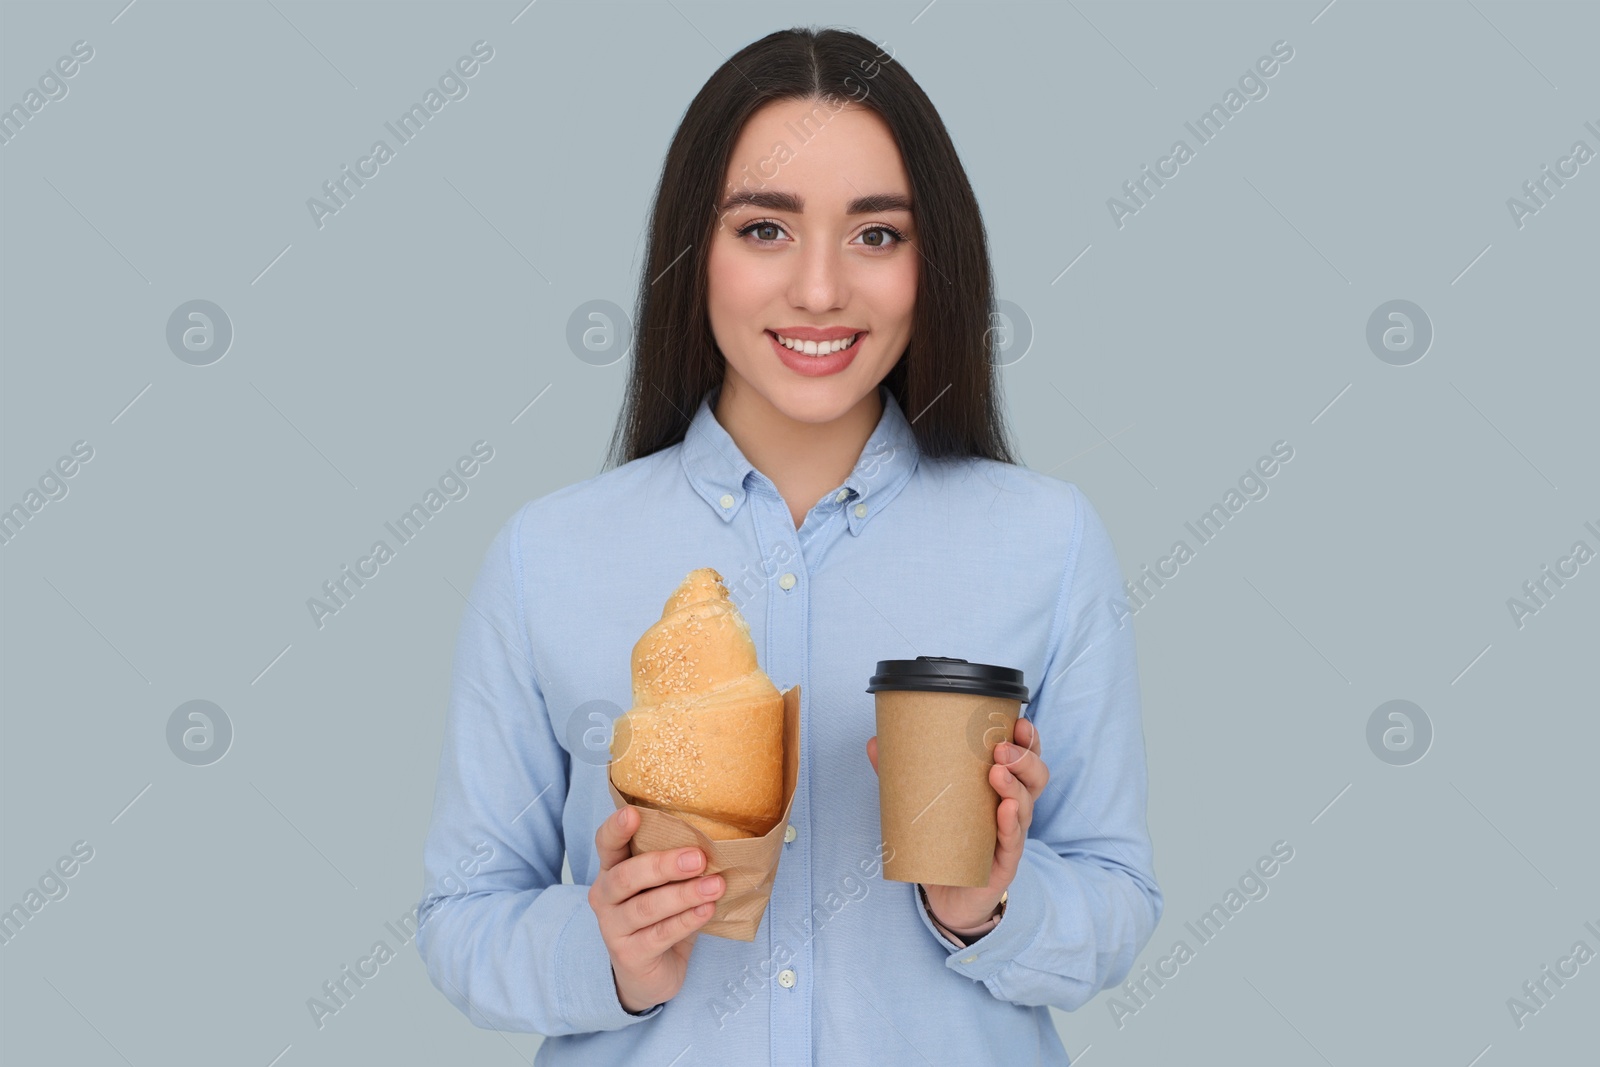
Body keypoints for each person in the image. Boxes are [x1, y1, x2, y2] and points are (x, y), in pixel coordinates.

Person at [415, 26, 1161, 1066]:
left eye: (876, 234)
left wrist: (989, 904)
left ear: (931, 261)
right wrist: (608, 947)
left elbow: (1119, 897)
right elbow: (460, 915)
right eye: (764, 229)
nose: (819, 290)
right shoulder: (550, 555)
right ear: (693, 250)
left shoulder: (1043, 540)